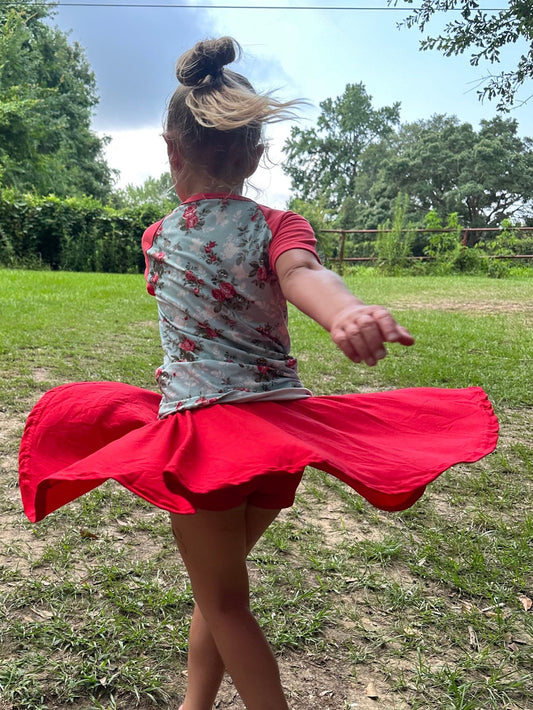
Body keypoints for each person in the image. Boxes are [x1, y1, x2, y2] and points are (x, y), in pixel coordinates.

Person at [19, 38, 498, 710]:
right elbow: (305, 274)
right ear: (255, 155)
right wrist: (345, 312)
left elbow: (281, 280)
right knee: (217, 592)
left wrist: (340, 309)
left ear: (168, 148)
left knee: (222, 597)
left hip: (204, 443)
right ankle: (194, 705)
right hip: (276, 440)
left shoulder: (156, 237)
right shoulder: (279, 225)